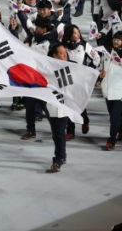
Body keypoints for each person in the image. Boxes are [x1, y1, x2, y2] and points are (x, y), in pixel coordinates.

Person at [62, 25, 100, 139]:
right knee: (68, 104)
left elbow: (97, 58)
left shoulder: (84, 45)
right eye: (74, 33)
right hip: (67, 78)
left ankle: (85, 120)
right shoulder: (63, 46)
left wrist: (89, 69)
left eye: (78, 32)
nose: (77, 34)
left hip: (81, 79)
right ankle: (70, 131)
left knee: (79, 102)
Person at [45, 43, 70, 172]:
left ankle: (59, 158)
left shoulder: (72, 66)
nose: (65, 54)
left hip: (65, 106)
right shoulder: (48, 68)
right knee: (56, 133)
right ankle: (62, 155)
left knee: (59, 132)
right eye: (61, 53)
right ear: (55, 55)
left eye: (65, 52)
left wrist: (99, 75)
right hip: (51, 105)